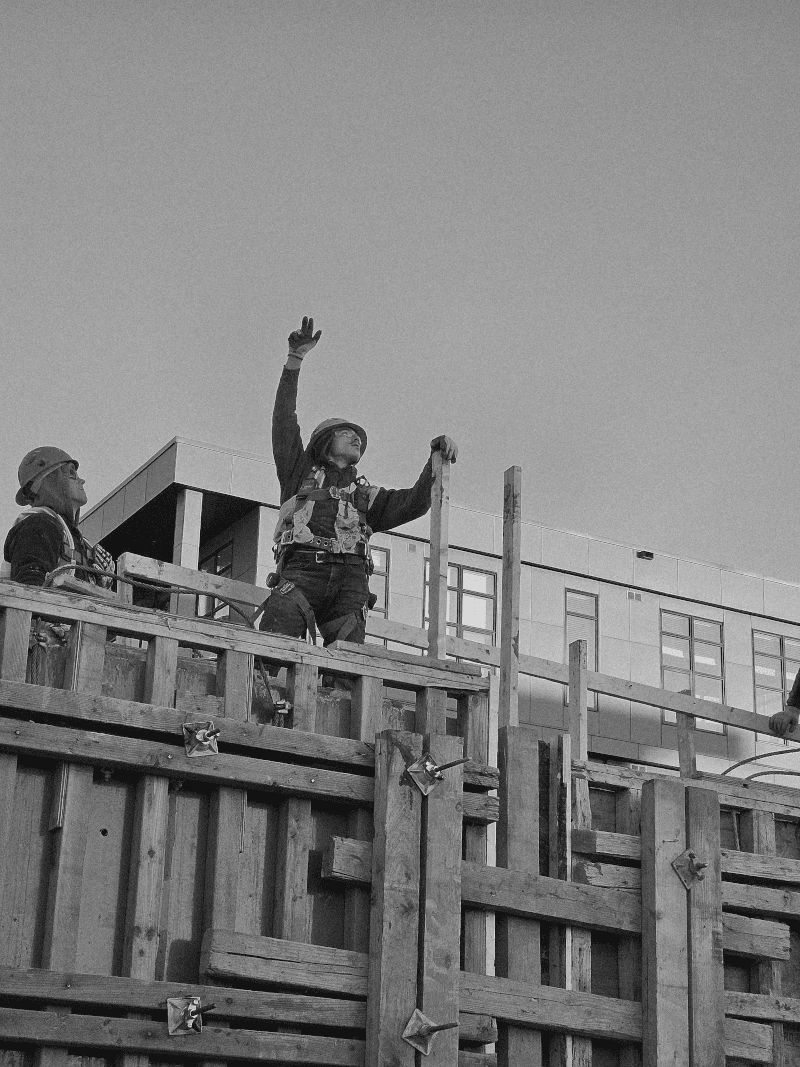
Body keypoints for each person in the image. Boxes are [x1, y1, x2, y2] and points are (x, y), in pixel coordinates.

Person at [258, 316, 458, 646]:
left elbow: (415, 503)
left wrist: (434, 460)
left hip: (351, 582)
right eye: (346, 433)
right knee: (271, 654)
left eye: (359, 438)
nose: (356, 439)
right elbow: (283, 422)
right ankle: (268, 697)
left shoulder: (365, 496)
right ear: (324, 441)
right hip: (302, 574)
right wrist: (295, 360)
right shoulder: (299, 474)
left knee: (347, 675)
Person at [3, 447, 114, 589]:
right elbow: (30, 592)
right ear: (51, 480)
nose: (82, 481)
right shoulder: (38, 525)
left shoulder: (78, 541)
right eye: (71, 473)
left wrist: (104, 583)